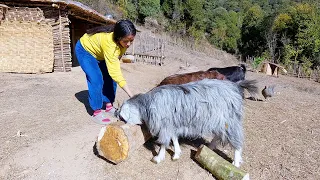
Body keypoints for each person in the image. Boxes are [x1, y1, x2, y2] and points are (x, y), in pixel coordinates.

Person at [75, 19, 136, 124]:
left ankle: (108, 106)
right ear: (118, 38)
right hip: (86, 51)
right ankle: (96, 112)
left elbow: (115, 62)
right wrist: (132, 95)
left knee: (110, 78)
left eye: (131, 40)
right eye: (126, 41)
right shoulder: (109, 43)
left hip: (101, 53)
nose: (129, 44)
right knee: (96, 79)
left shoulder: (123, 42)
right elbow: (116, 73)